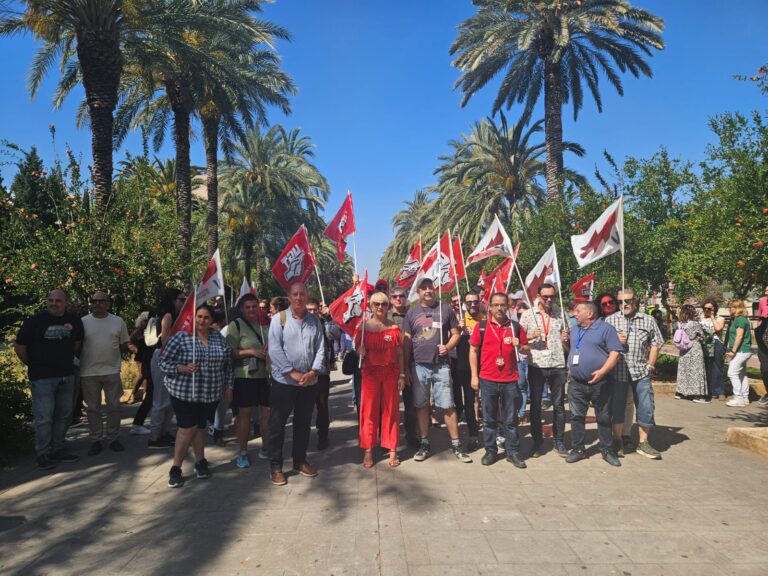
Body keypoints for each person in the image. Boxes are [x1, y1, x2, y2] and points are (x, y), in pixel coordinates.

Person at [160, 304, 233, 488]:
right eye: (199, 316)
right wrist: (181, 368)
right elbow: (163, 361)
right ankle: (176, 468)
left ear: (211, 320)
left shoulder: (218, 338)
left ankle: (200, 462)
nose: (202, 320)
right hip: (184, 392)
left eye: (206, 317)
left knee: (199, 427)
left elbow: (228, 364)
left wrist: (229, 386)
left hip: (210, 393)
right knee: (187, 428)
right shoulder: (181, 336)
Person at [402, 278, 471, 463]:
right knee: (421, 405)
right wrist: (405, 368)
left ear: (435, 289)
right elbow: (407, 341)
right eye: (423, 288)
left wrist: (447, 347)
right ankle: (424, 443)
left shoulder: (445, 309)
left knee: (448, 405)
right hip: (418, 366)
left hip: (441, 365)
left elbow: (456, 333)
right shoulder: (411, 313)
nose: (427, 290)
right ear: (418, 293)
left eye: (430, 287)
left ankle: (456, 444)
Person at [15, 289, 84, 470]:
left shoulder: (74, 321)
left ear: (66, 303)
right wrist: (34, 364)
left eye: (58, 301)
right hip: (42, 378)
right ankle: (43, 453)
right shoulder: (34, 322)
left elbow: (77, 343)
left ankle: (58, 448)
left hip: (66, 375)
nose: (54, 303)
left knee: (64, 415)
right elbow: (20, 347)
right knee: (44, 417)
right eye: (51, 300)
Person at [267, 282, 326, 486]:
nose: (299, 298)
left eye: (302, 294)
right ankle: (276, 466)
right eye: (295, 294)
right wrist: (291, 373)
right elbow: (274, 349)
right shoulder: (279, 320)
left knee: (303, 424)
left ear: (307, 296)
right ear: (289, 296)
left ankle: (299, 461)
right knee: (277, 425)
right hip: (283, 383)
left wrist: (313, 372)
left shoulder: (314, 322)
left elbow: (320, 348)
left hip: (307, 383)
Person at [469, 292, 530, 468]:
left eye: (503, 305)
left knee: (510, 419)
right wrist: (474, 375)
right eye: (495, 305)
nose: (499, 308)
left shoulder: (515, 327)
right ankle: (490, 450)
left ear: (508, 306)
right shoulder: (481, 326)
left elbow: (526, 350)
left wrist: (521, 345)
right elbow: (473, 351)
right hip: (487, 378)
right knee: (489, 419)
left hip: (510, 379)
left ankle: (512, 452)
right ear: (489, 307)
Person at [605, 288, 664, 459]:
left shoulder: (648, 320)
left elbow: (656, 342)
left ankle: (644, 442)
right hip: (618, 372)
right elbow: (602, 345)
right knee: (617, 407)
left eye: (628, 301)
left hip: (641, 372)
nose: (625, 305)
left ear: (635, 301)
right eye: (621, 302)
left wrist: (650, 365)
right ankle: (617, 440)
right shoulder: (610, 321)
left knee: (646, 406)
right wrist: (616, 341)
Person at [565, 301, 623, 467]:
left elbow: (615, 353)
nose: (574, 314)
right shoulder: (575, 329)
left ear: (590, 313)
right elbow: (573, 351)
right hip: (576, 383)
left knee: (604, 417)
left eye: (578, 311)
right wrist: (565, 342)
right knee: (576, 417)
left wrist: (603, 371)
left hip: (601, 382)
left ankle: (607, 450)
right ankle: (578, 449)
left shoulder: (606, 329)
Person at [518, 283, 569, 458]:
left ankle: (559, 441)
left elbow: (569, 344)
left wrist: (566, 339)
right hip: (536, 365)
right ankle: (537, 442)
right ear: (538, 296)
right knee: (536, 407)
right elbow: (519, 343)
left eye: (552, 296)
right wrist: (530, 336)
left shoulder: (560, 313)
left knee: (559, 406)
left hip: (557, 365)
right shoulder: (527, 315)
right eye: (545, 296)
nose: (549, 299)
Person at [80, 290, 132, 456]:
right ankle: (96, 440)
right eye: (94, 301)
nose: (97, 304)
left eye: (101, 301)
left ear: (108, 303)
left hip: (111, 370)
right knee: (93, 409)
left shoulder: (118, 321)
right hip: (88, 371)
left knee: (114, 407)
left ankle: (113, 438)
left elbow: (124, 343)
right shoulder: (82, 322)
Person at [356, 292, 404, 468]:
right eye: (376, 304)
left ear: (388, 306)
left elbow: (400, 353)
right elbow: (357, 351)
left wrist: (402, 375)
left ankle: (392, 449)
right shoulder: (363, 328)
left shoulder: (394, 328)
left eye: (383, 304)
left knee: (391, 411)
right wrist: (359, 351)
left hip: (391, 373)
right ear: (370, 306)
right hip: (370, 375)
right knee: (368, 412)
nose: (380, 307)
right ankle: (368, 450)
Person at [226, 294, 271, 468]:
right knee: (245, 415)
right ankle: (243, 452)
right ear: (242, 309)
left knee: (267, 414)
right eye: (248, 307)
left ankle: (266, 448)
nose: (252, 309)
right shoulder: (235, 326)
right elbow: (230, 352)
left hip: (265, 376)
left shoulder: (264, 325)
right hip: (244, 377)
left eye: (254, 306)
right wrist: (251, 352)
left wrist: (268, 348)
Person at [148, 288, 186, 449]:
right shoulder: (168, 316)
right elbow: (165, 341)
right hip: (163, 358)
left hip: (169, 359)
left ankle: (163, 433)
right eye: (181, 299)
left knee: (169, 400)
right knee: (161, 399)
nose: (183, 302)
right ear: (172, 300)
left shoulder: (174, 316)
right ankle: (155, 437)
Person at [307, 297, 341, 450]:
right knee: (303, 408)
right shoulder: (299, 325)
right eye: (309, 310)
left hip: (321, 373)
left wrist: (328, 318)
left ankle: (323, 436)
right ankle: (303, 436)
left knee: (322, 406)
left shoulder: (324, 323)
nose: (312, 312)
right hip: (303, 374)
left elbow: (335, 334)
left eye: (315, 309)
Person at [452, 289, 483, 450]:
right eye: (469, 302)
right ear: (464, 304)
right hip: (465, 367)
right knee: (470, 402)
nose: (472, 305)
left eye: (475, 302)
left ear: (480, 302)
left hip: (486, 367)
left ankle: (497, 434)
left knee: (493, 402)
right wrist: (458, 331)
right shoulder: (459, 321)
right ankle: (473, 436)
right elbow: (449, 343)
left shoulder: (486, 319)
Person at [389, 285, 418, 448]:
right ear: (391, 298)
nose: (398, 299)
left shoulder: (413, 314)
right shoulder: (384, 314)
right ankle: (388, 436)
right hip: (389, 365)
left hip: (409, 363)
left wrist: (406, 367)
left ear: (405, 298)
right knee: (389, 404)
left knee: (410, 403)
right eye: (395, 296)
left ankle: (411, 435)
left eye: (401, 296)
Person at [674, 305, 708, 402]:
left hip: (683, 349)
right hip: (694, 348)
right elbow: (703, 336)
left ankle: (680, 392)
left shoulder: (679, 324)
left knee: (683, 370)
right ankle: (698, 395)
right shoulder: (695, 324)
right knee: (696, 371)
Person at [130, 311, 155, 434]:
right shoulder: (144, 335)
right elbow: (139, 354)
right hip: (149, 367)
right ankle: (137, 424)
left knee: (152, 396)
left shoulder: (147, 334)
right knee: (150, 397)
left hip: (148, 367)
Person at [725, 299, 753, 407]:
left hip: (741, 351)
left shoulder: (740, 320)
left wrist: (733, 351)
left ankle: (738, 398)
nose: (729, 309)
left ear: (736, 308)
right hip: (743, 351)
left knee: (732, 372)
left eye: (730, 307)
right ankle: (745, 397)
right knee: (741, 374)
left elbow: (739, 336)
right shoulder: (739, 319)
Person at [700, 299, 726, 401]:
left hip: (716, 343)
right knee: (705, 367)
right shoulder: (699, 319)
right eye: (705, 308)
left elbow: (718, 328)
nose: (707, 310)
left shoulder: (720, 318)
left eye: (709, 308)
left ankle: (719, 391)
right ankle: (707, 391)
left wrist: (712, 317)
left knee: (717, 366)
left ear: (714, 308)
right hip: (704, 344)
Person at [755, 286, 768, 405]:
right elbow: (760, 319)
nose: (766, 290)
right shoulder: (763, 301)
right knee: (764, 369)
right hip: (764, 335)